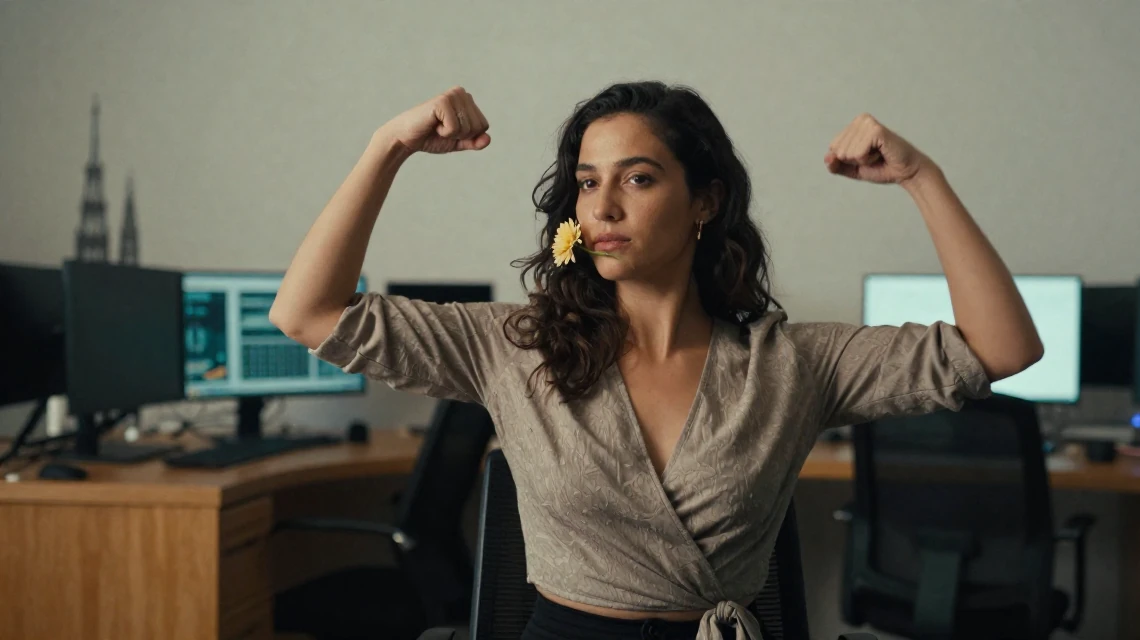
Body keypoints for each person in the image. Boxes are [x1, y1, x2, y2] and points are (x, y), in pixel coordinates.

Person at [270, 81, 1043, 640]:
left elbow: (1002, 348)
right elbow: (306, 312)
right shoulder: (514, 348)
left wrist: (920, 177)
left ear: (703, 201)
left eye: (637, 179)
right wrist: (389, 147)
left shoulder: (794, 363)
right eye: (586, 184)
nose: (603, 208)